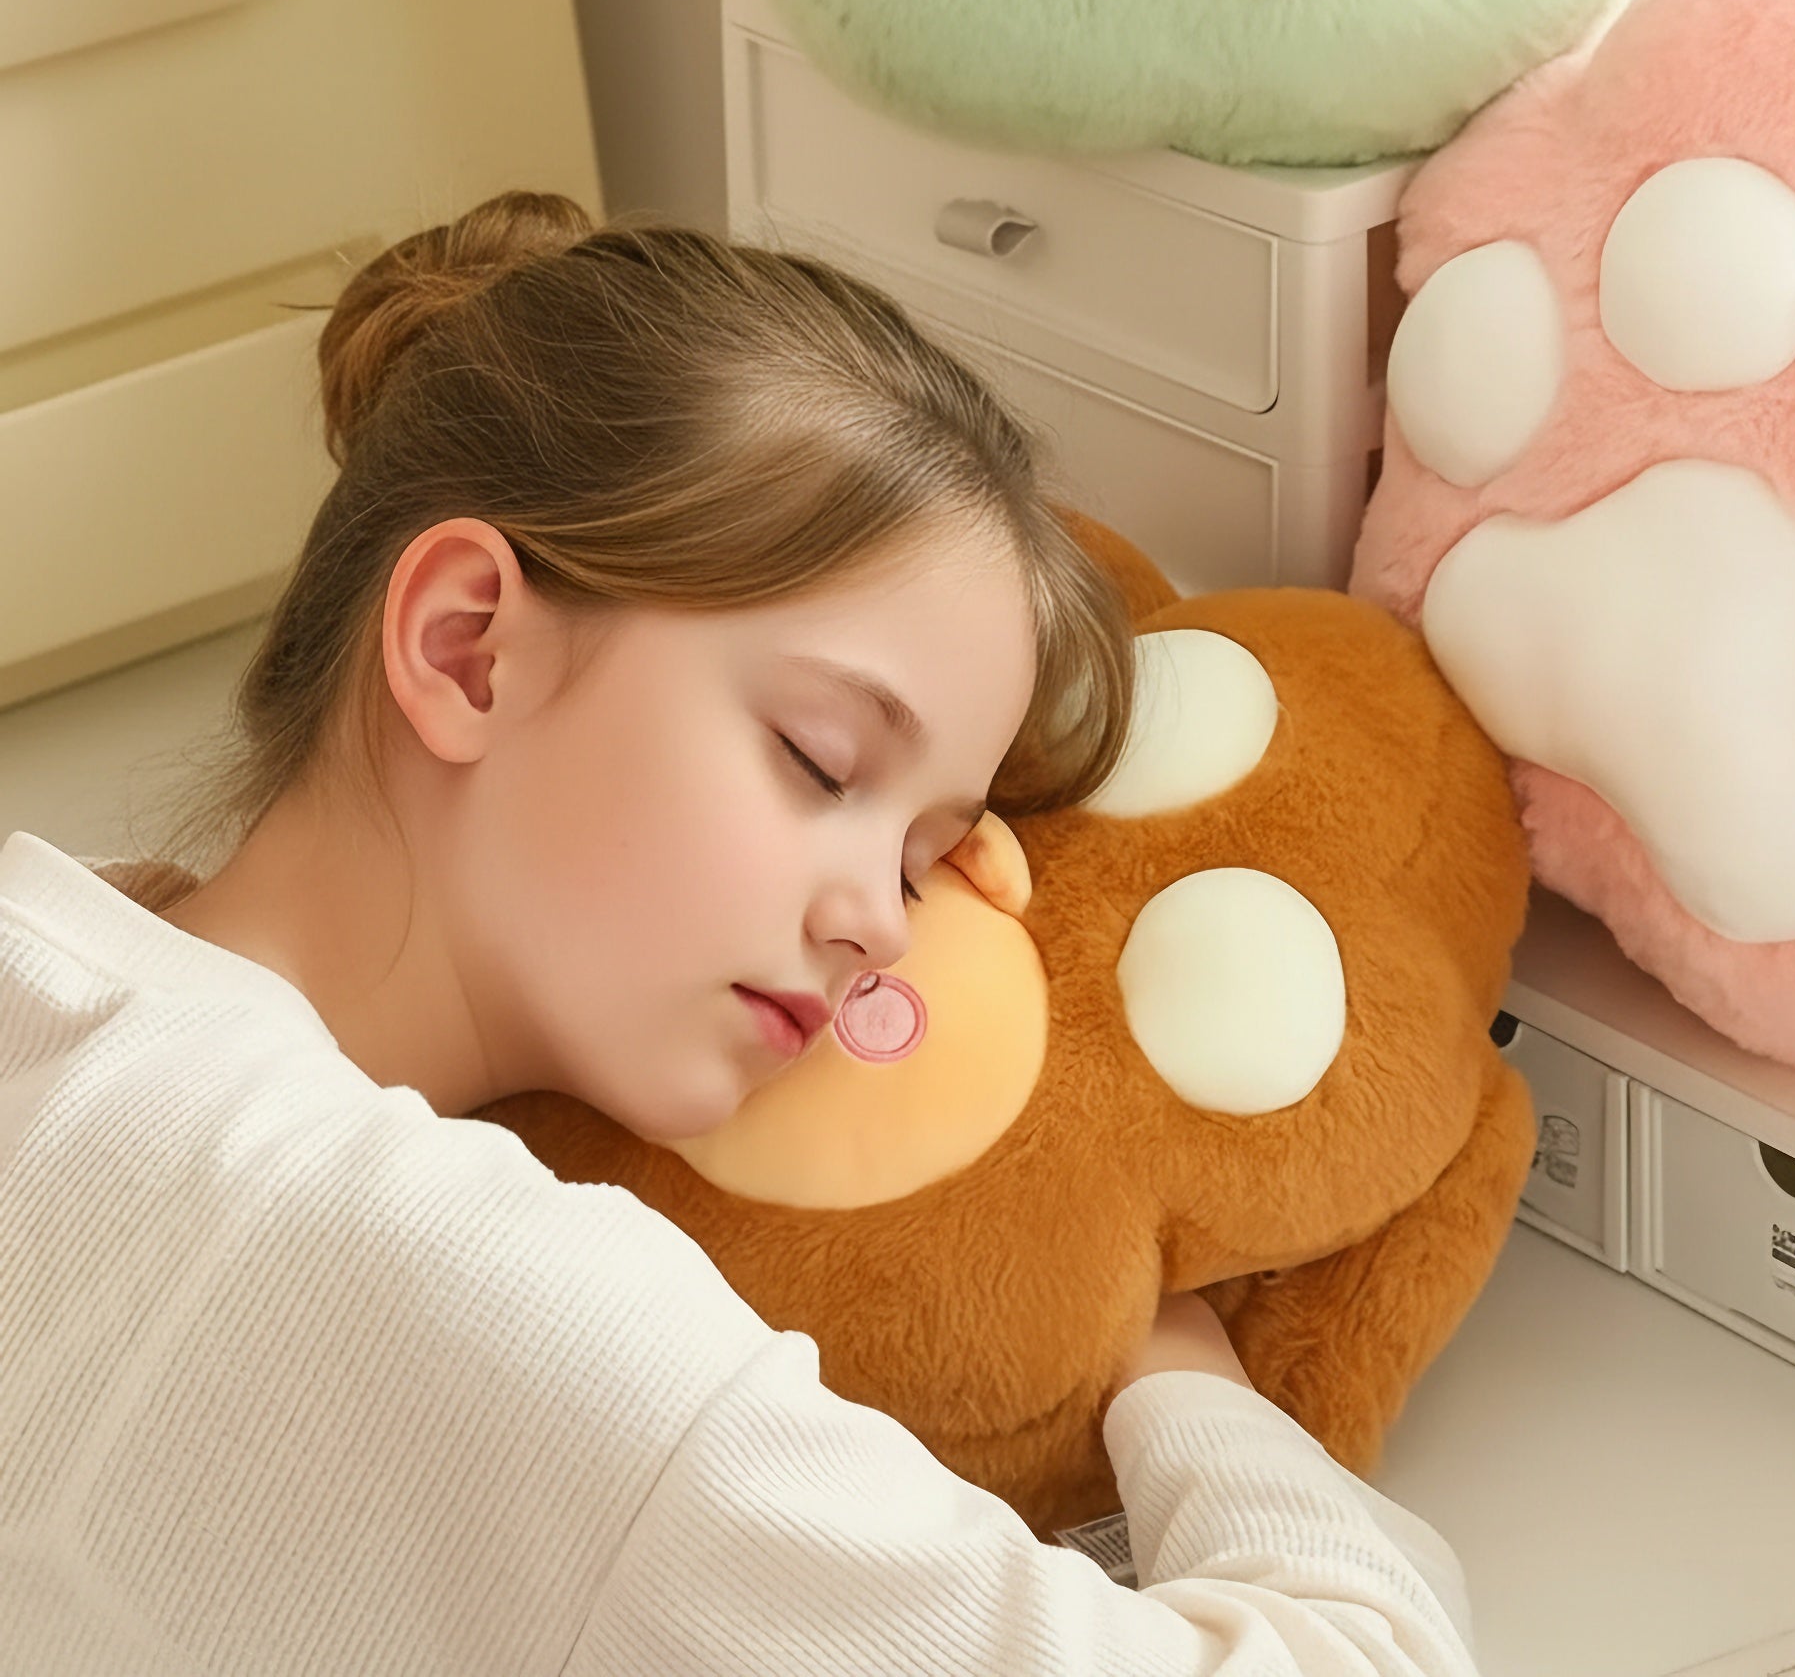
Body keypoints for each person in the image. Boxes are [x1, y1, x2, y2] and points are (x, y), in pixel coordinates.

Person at [0, 191, 1480, 1677]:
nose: (882, 934)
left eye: (922, 861)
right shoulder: (508, 1319)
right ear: (468, 646)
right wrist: (1172, 1366)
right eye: (822, 762)